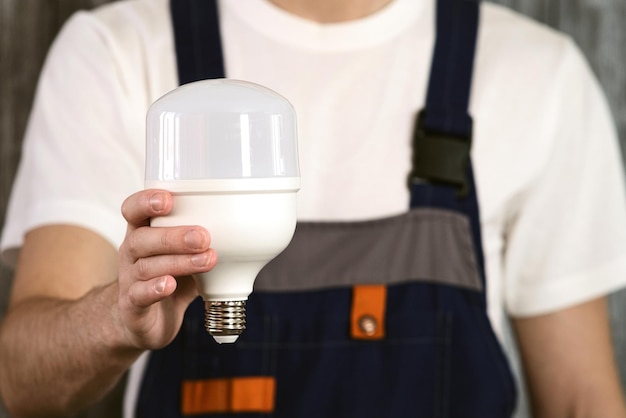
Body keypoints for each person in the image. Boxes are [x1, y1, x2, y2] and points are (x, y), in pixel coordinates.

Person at [1, 0, 626, 416]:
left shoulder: (535, 73)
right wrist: (116, 317)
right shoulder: (118, 50)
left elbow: (580, 399)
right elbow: (20, 379)